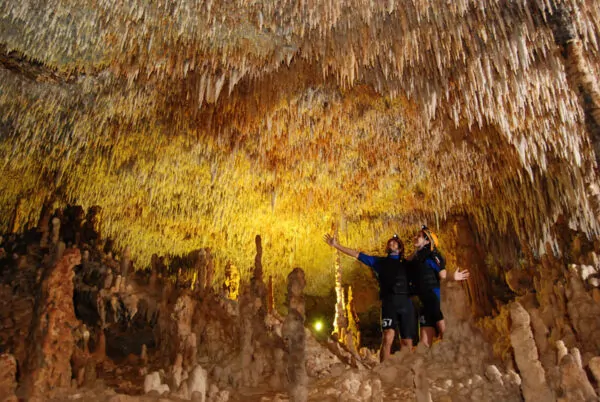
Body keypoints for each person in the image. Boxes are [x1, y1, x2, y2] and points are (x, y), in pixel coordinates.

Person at [323, 233, 415, 362]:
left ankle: (408, 370)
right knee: (388, 337)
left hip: (406, 303)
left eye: (396, 242)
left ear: (400, 248)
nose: (392, 243)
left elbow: (420, 258)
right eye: (391, 242)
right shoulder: (380, 262)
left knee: (407, 341)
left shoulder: (407, 264)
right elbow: (357, 255)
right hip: (389, 303)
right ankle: (384, 370)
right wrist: (336, 245)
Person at [409, 225, 469, 347]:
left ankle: (457, 359)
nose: (415, 237)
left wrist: (453, 276)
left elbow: (442, 275)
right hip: (424, 301)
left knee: (445, 333)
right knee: (424, 343)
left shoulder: (432, 255)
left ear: (427, 240)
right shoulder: (415, 258)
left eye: (419, 236)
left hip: (434, 298)